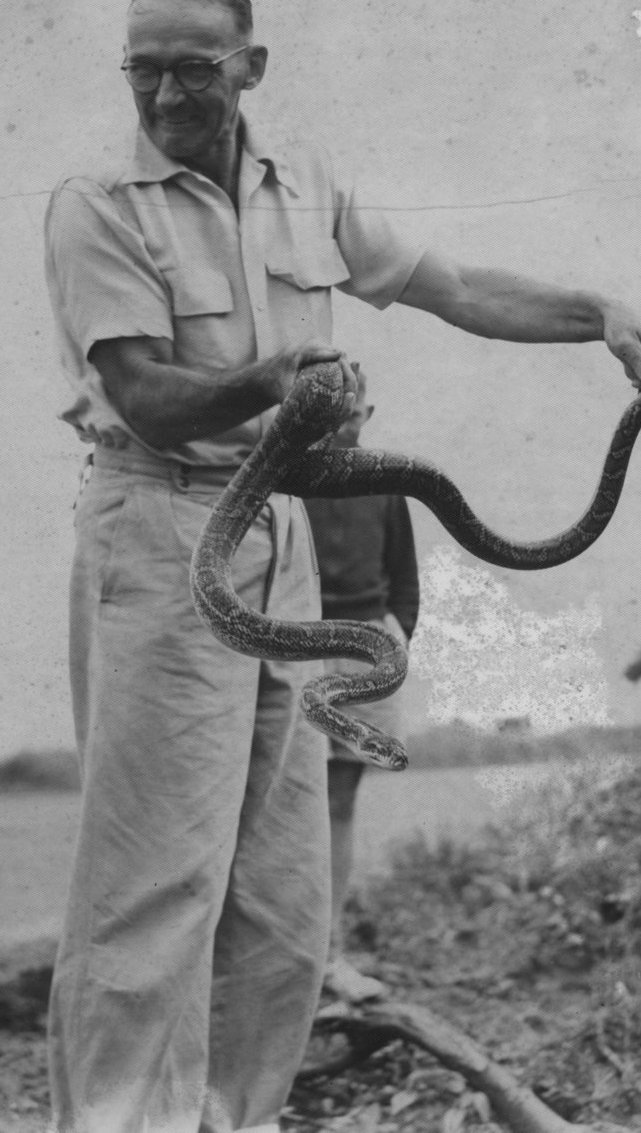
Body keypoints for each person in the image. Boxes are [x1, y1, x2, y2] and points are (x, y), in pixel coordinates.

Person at [43, 0, 641, 1133]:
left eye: (195, 68)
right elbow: (141, 393)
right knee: (154, 890)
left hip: (278, 531)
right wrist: (275, 374)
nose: (168, 93)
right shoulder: (97, 204)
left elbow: (451, 284)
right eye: (146, 68)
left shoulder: (306, 184)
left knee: (284, 902)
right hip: (165, 521)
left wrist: (597, 313)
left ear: (251, 68)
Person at [303, 372, 418, 1005]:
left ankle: (328, 957)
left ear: (367, 413)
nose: (345, 425)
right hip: (297, 641)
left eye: (355, 413)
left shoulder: (385, 481)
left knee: (340, 798)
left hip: (365, 648)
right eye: (333, 414)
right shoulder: (287, 474)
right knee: (286, 798)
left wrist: (394, 647)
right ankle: (282, 958)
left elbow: (405, 580)